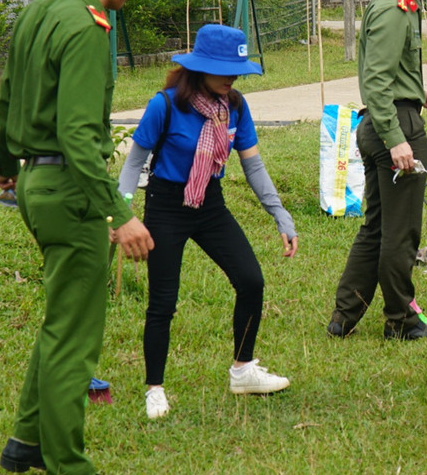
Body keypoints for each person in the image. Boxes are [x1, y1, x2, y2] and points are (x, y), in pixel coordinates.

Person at [0, 0, 169, 475]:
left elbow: (5, 99)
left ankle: (26, 440)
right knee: (75, 335)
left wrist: (7, 163)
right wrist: (121, 214)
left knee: (59, 317)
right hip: (71, 192)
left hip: (34, 186)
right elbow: (78, 134)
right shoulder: (91, 28)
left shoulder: (41, 10)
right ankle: (68, 471)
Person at [116, 24, 298, 420]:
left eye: (237, 70)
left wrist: (280, 214)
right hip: (165, 205)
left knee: (251, 280)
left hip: (209, 204)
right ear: (199, 68)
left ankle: (243, 370)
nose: (232, 77)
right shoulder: (163, 105)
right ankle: (155, 389)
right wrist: (124, 212)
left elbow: (253, 165)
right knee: (163, 302)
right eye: (223, 69)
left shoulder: (235, 106)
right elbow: (133, 164)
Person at [327, 0, 427, 341]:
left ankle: (344, 317)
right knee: (401, 233)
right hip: (393, 128)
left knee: (378, 226)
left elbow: (391, 76)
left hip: (393, 118)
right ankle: (401, 322)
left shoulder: (401, 3)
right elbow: (376, 82)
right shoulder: (394, 9)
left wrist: (419, 93)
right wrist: (396, 138)